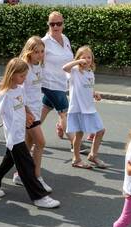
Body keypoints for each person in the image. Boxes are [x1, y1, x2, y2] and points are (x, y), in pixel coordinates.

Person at [0, 58, 60, 209]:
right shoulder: (4, 94)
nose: (24, 79)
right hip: (13, 137)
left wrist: (29, 114)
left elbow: (24, 105)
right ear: (12, 75)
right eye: (22, 76)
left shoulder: (20, 89)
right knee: (27, 165)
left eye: (25, 75)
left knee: (8, 162)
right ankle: (39, 197)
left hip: (20, 133)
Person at [41, 11, 88, 153]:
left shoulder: (65, 39)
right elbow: (34, 61)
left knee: (43, 110)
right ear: (48, 25)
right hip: (49, 84)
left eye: (59, 23)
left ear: (63, 24)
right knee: (65, 114)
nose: (56, 26)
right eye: (52, 24)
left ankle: (28, 132)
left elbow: (70, 60)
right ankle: (75, 144)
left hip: (62, 83)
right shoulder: (44, 42)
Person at [11, 36, 52, 192]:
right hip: (27, 113)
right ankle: (36, 177)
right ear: (29, 52)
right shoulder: (24, 68)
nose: (40, 55)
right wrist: (26, 112)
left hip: (36, 110)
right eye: (36, 52)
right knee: (40, 143)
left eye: (42, 51)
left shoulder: (38, 67)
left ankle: (19, 175)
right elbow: (19, 92)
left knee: (28, 143)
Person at [63, 46, 107, 169]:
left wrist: (95, 93)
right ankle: (76, 159)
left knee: (100, 130)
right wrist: (77, 62)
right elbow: (64, 68)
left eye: (89, 57)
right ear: (78, 59)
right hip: (78, 108)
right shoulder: (75, 70)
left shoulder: (90, 73)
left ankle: (92, 155)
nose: (87, 60)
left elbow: (88, 87)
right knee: (79, 134)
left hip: (89, 108)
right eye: (84, 57)